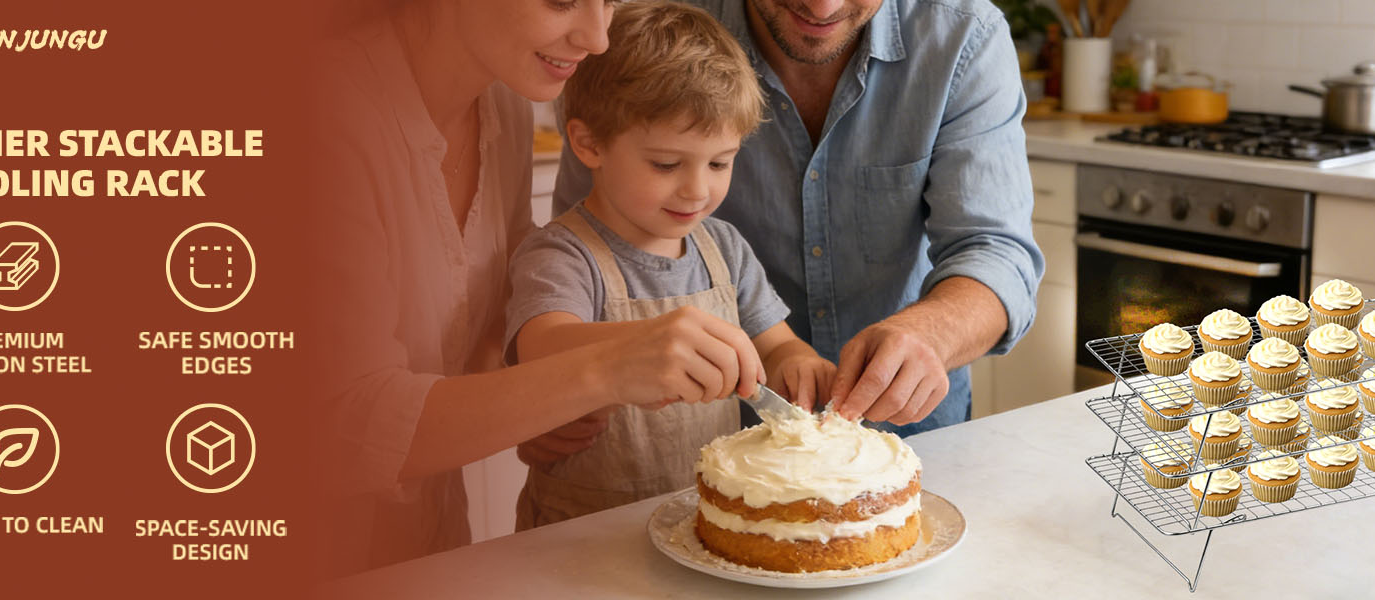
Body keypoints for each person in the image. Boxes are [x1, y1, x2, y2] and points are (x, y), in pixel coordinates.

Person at [308, 0, 762, 576]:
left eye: (609, 0)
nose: (599, 37)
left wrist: (543, 404)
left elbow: (489, 299)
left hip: (429, 543)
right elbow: (347, 422)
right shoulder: (318, 115)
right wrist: (603, 368)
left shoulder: (504, 99)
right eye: (563, 1)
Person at [549, 0, 1045, 437]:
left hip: (917, 436)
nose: (824, 7)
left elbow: (996, 253)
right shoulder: (633, 38)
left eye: (720, 162)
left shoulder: (963, 35)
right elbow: (589, 248)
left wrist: (930, 333)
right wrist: (554, 397)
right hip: (716, 449)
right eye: (665, 164)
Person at [504, 0, 837, 530]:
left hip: (706, 524)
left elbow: (776, 344)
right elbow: (540, 347)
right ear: (589, 143)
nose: (697, 189)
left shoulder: (723, 248)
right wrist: (650, 343)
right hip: (582, 537)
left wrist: (798, 364)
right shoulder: (563, 254)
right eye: (666, 164)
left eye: (720, 162)